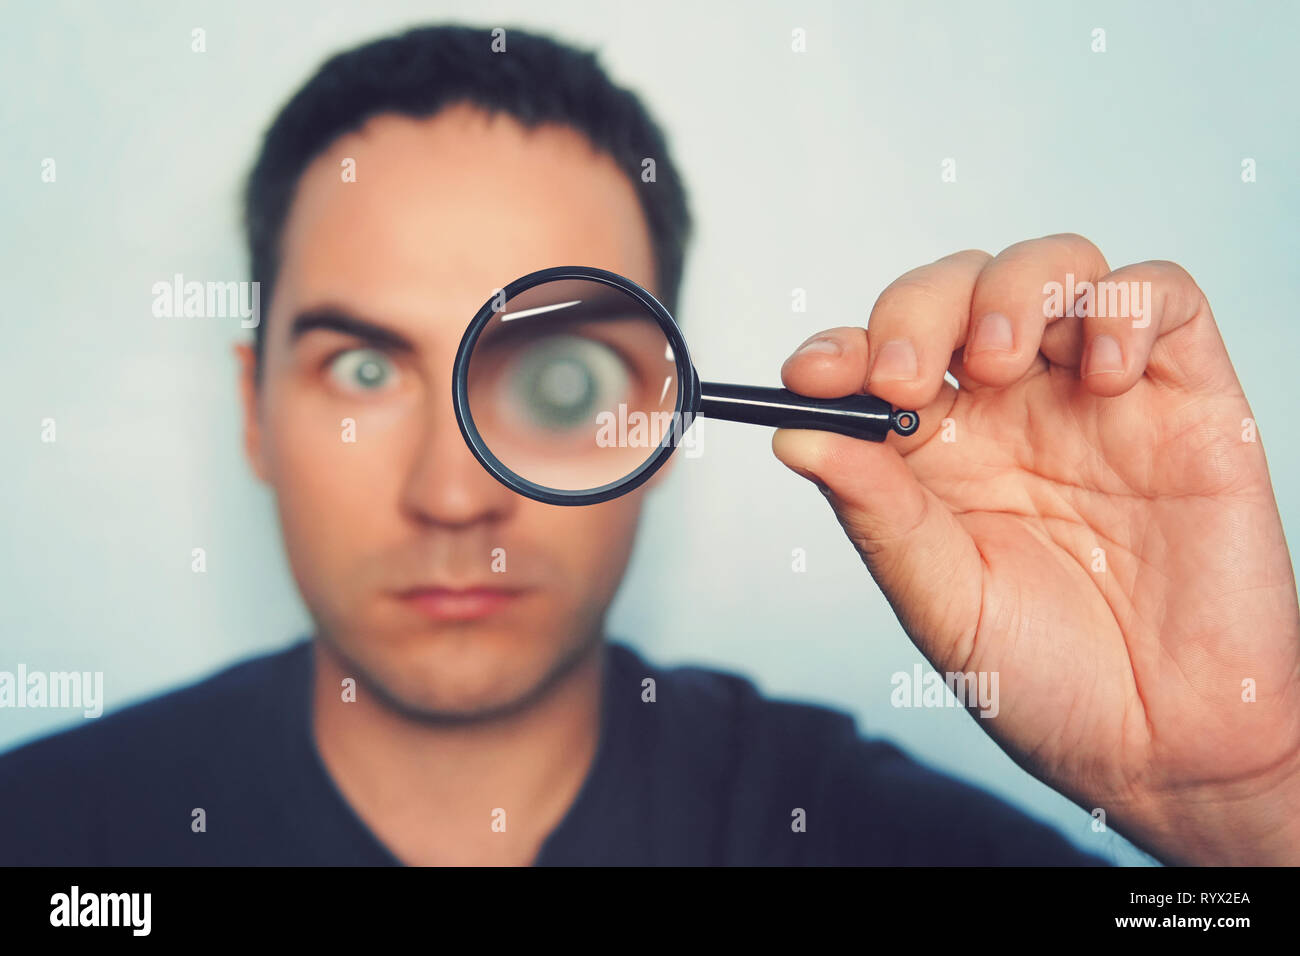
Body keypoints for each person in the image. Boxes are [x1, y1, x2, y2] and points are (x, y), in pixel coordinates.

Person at [2, 24, 1296, 867]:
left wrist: (1242, 810)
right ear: (251, 414)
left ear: (664, 422)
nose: (453, 493)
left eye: (561, 380)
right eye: (360, 366)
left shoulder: (874, 846)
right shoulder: (48, 840)